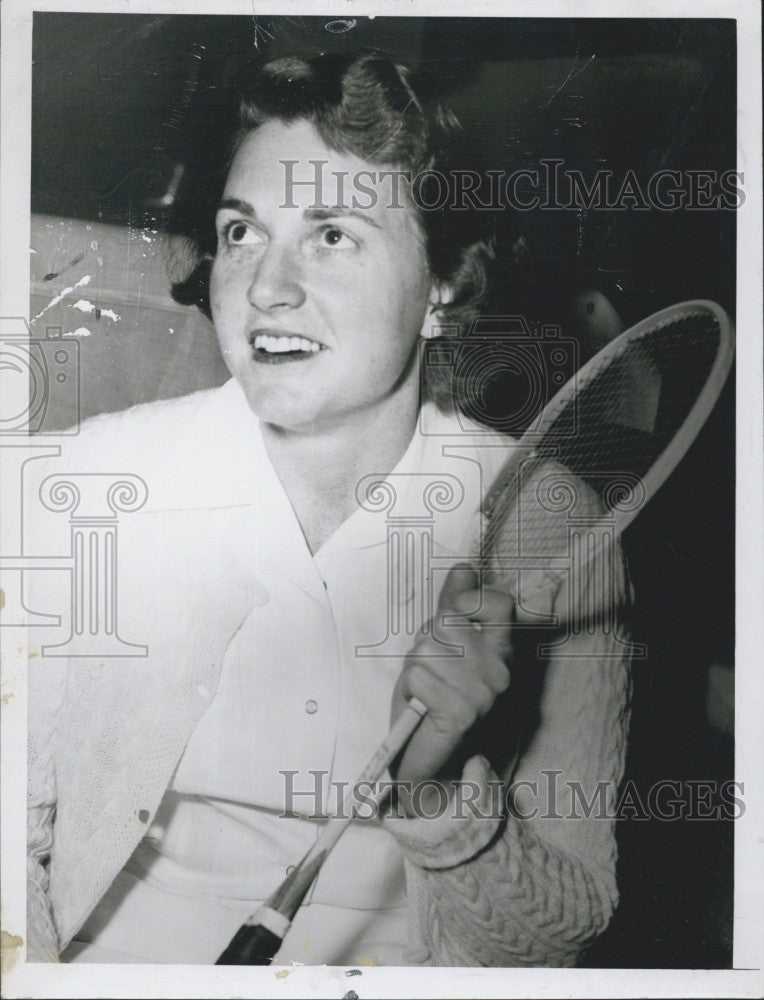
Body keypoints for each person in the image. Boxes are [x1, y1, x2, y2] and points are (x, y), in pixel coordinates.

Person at [27, 52, 632, 967]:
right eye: (241, 233)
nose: (266, 287)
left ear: (440, 287)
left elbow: (563, 927)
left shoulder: (549, 524)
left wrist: (433, 799)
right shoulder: (99, 479)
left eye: (333, 234)